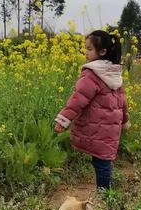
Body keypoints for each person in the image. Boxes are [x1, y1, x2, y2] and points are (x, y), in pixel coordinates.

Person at [54, 30, 130, 191]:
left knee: (102, 163)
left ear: (102, 52)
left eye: (89, 49)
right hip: (110, 129)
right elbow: (122, 100)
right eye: (85, 48)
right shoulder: (114, 72)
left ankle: (105, 196)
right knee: (104, 161)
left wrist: (63, 120)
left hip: (97, 128)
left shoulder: (91, 74)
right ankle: (107, 192)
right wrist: (125, 120)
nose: (85, 52)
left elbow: (78, 99)